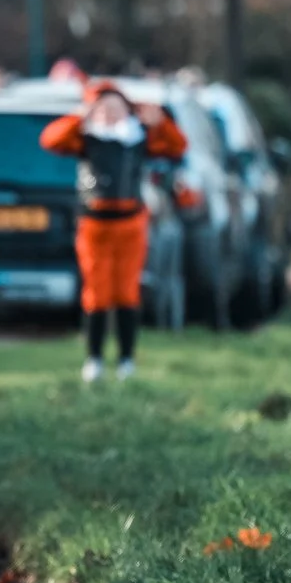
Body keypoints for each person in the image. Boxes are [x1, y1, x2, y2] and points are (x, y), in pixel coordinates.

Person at [40, 80, 188, 382]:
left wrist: (162, 122)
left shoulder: (138, 137)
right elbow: (50, 140)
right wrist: (80, 115)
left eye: (114, 106)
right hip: (94, 222)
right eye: (102, 107)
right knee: (97, 291)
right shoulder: (86, 137)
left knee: (126, 291)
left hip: (130, 222)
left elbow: (177, 147)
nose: (108, 114)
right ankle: (94, 359)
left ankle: (126, 359)